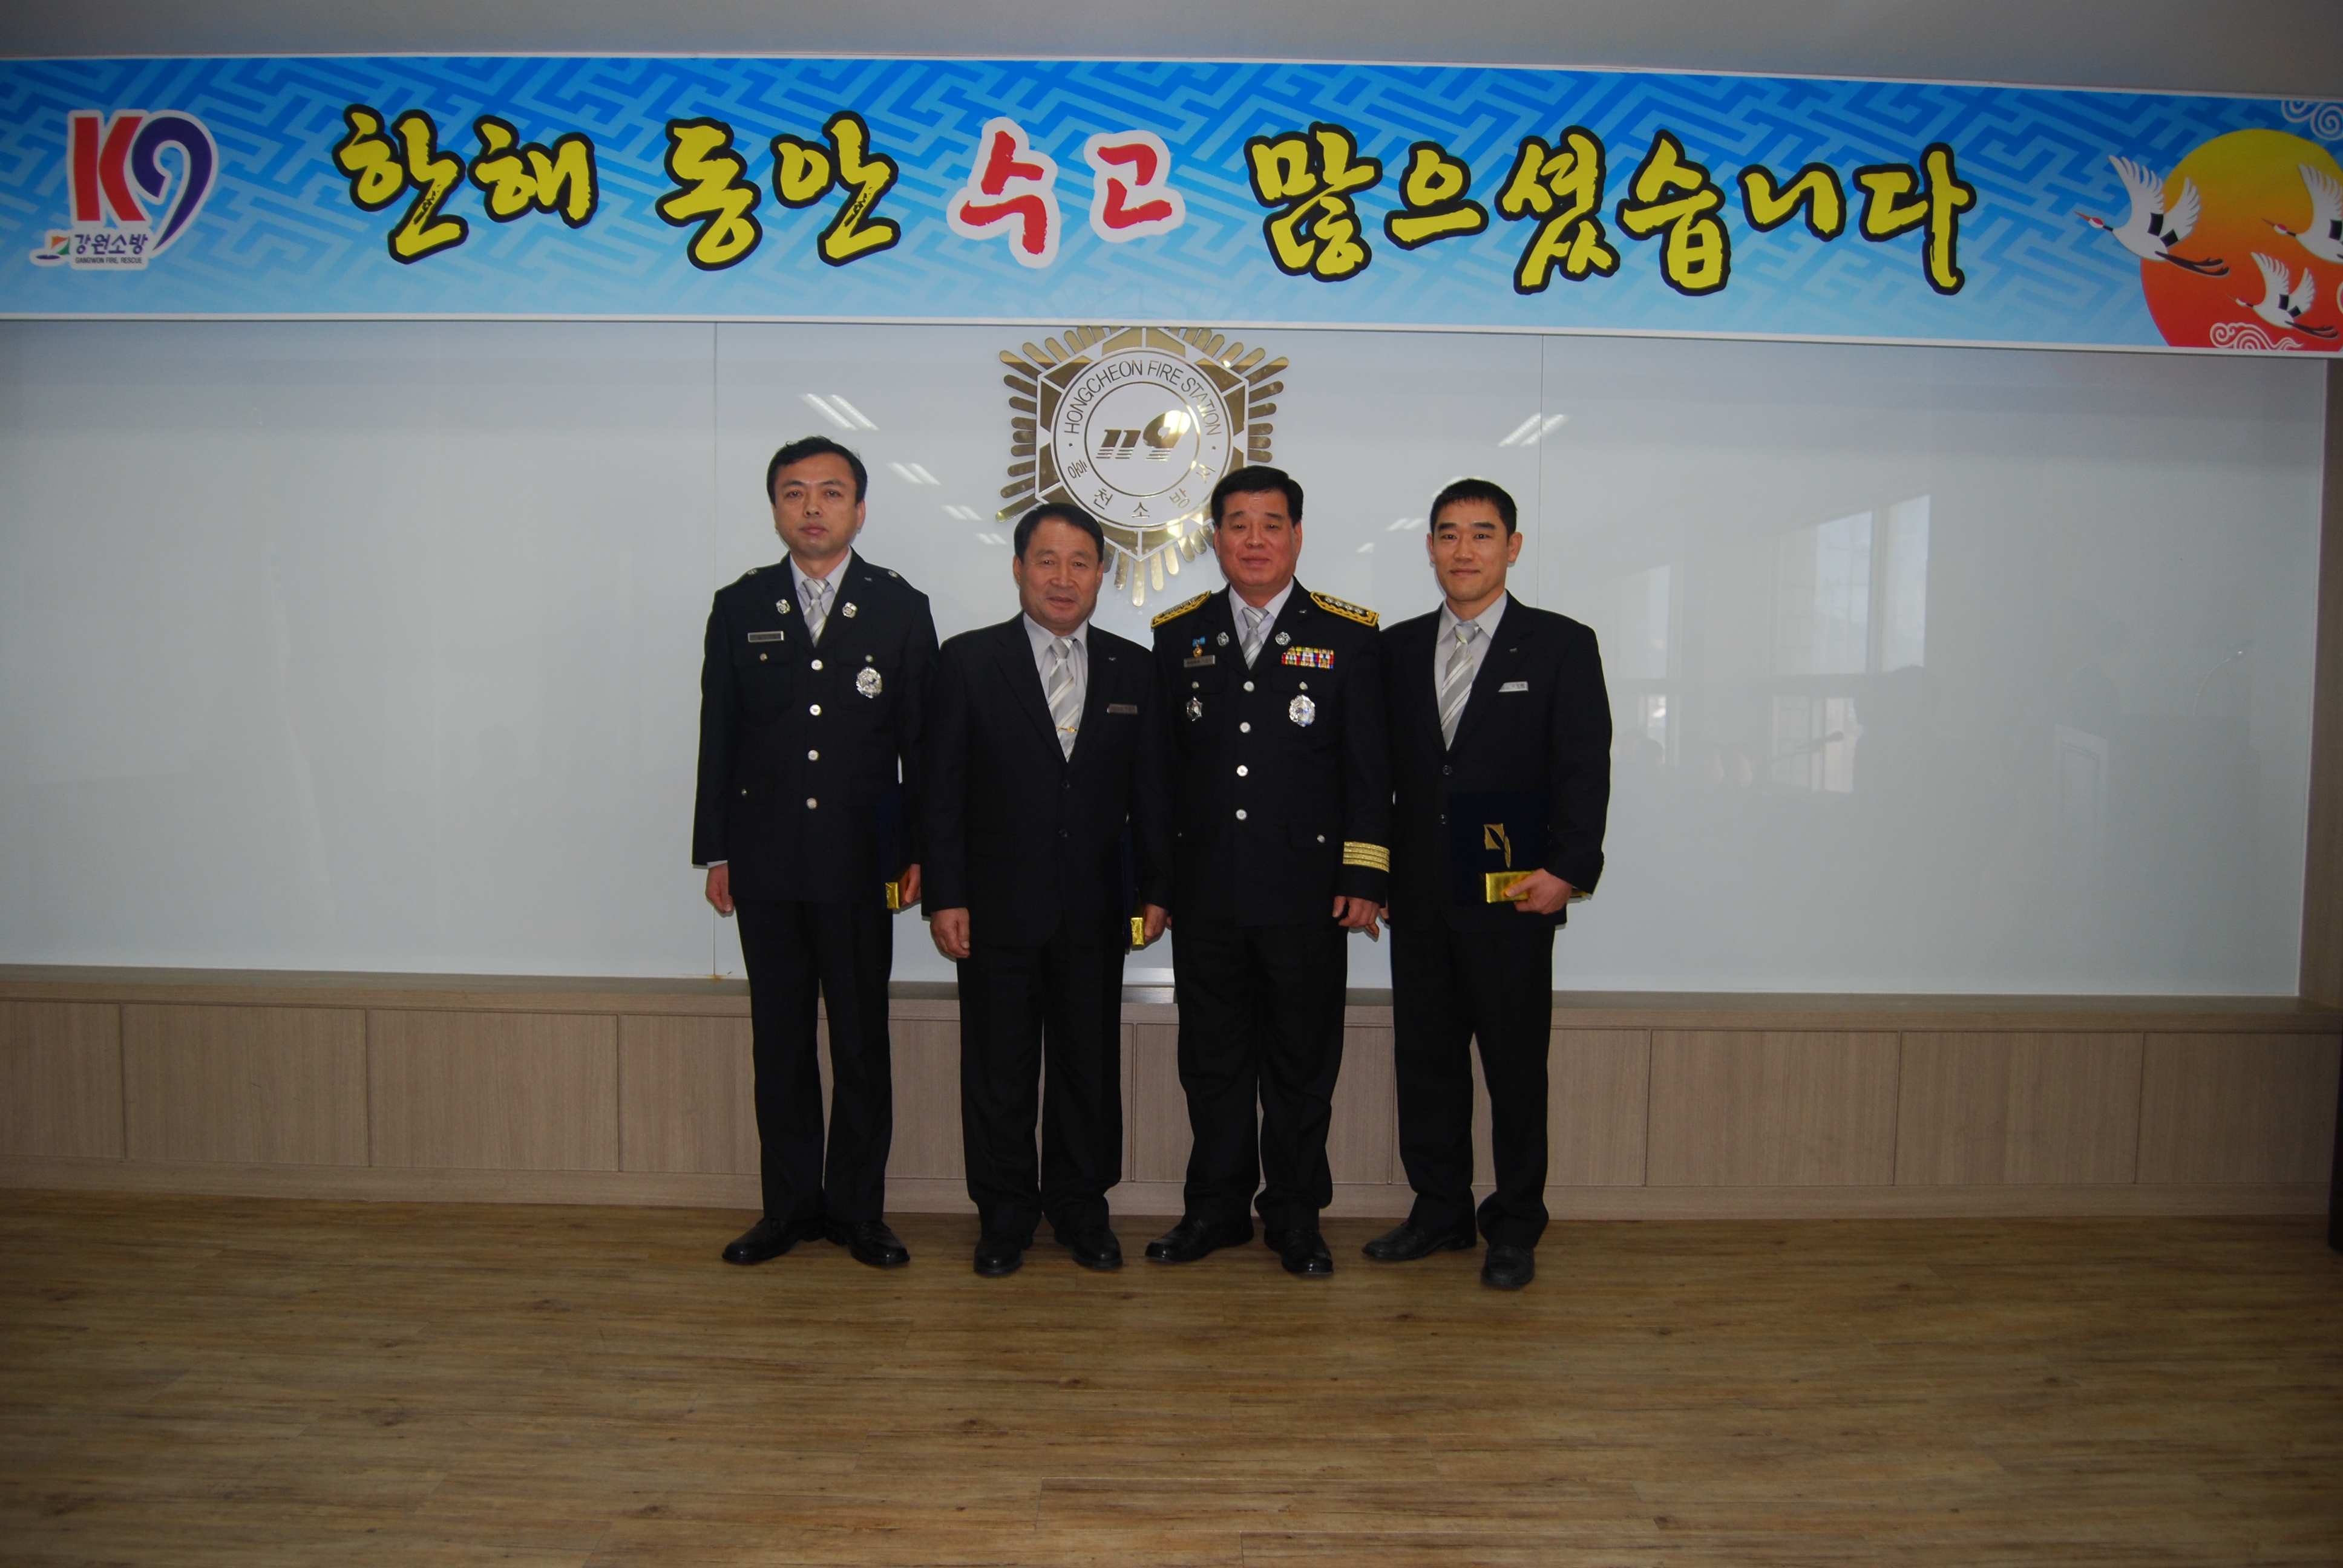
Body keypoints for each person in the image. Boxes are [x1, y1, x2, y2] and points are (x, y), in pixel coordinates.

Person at [693, 435, 937, 1270]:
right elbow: (719, 735)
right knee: (781, 1042)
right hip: (764, 861)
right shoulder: (741, 605)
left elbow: (922, 747)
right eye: (794, 492)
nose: (812, 507)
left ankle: (858, 1212)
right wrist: (717, 851)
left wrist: (921, 851)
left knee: (862, 1044)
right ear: (775, 508)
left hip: (863, 864)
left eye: (831, 492)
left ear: (858, 511)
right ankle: (789, 1209)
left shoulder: (900, 607)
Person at [1145, 465, 1391, 1277]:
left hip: (1308, 898)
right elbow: (1160, 777)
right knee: (1211, 1065)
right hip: (1207, 895)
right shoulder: (1178, 635)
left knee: (1301, 1068)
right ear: (1215, 537)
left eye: (1271, 524)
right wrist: (1158, 887)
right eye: (1238, 524)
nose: (1254, 540)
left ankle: (1294, 1214)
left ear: (1297, 535)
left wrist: (1365, 877)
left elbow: (1369, 774)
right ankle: (1214, 1209)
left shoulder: (1350, 637)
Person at [1368, 477, 1610, 1290]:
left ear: (1512, 546)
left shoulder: (1560, 645)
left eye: (1480, 534)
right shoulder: (1395, 649)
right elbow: (1377, 775)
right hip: (1419, 898)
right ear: (1430, 548)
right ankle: (1439, 1211)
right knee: (1426, 1065)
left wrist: (1569, 869)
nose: (1463, 550)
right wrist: (1375, 872)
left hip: (1514, 896)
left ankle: (1514, 1225)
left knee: (1513, 1071)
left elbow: (1583, 766)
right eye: (1448, 534)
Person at [920, 503, 1172, 1276]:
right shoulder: (968, 661)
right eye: (1046, 561)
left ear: (1100, 574)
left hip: (1095, 909)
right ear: (1019, 569)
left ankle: (1080, 1209)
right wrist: (946, 895)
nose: (1062, 579)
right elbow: (940, 790)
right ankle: (1004, 1216)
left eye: (1079, 563)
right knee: (997, 1071)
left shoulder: (1135, 668)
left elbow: (1151, 792)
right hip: (993, 910)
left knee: (1087, 1070)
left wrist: (1156, 887)